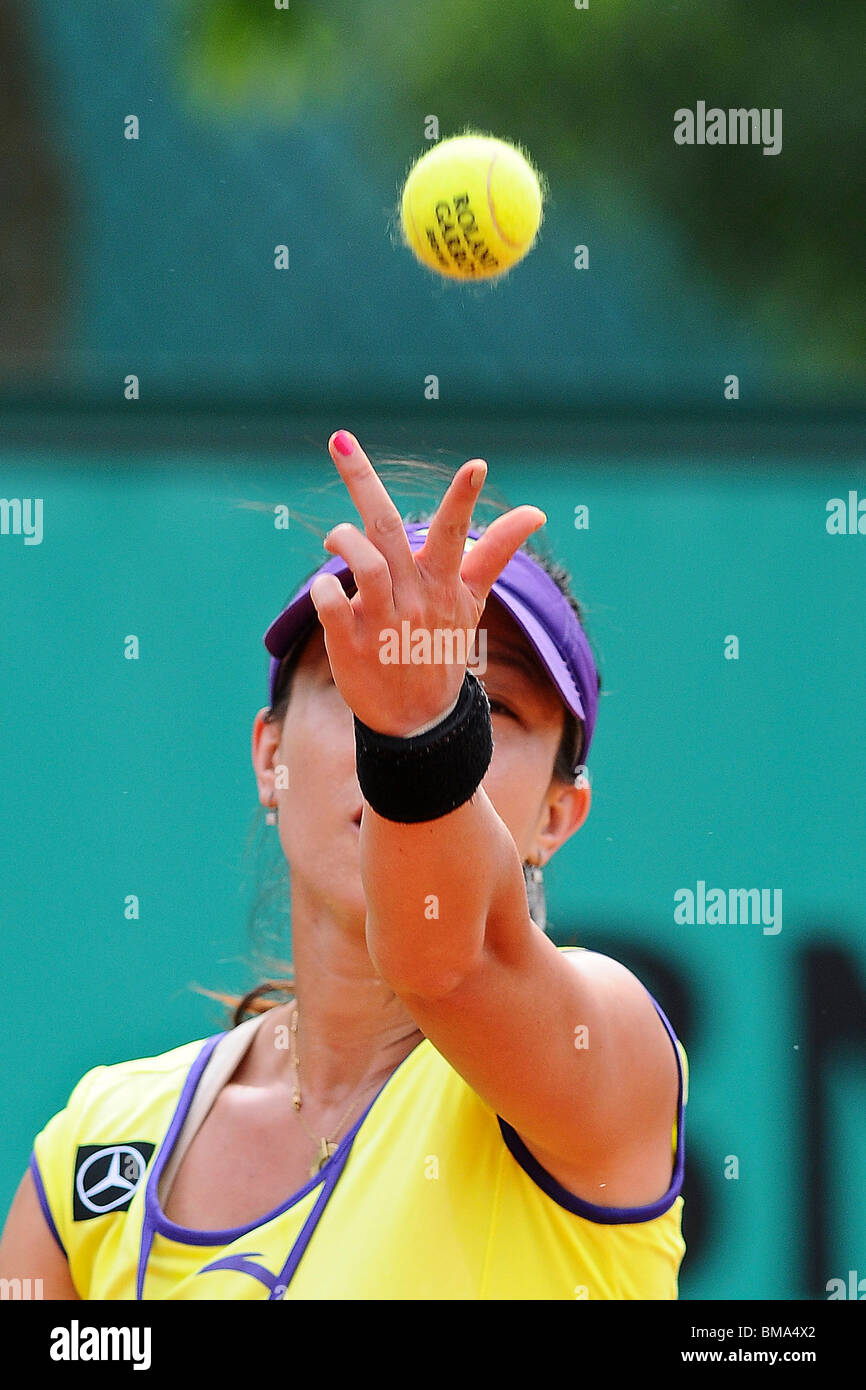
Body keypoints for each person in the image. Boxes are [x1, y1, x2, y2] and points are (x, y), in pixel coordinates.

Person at [0, 430, 686, 1300]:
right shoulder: (95, 1148)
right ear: (269, 755)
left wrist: (421, 733)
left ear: (559, 815)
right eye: (355, 673)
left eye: (487, 704)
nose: (390, 701)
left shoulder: (608, 1051)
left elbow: (446, 960)